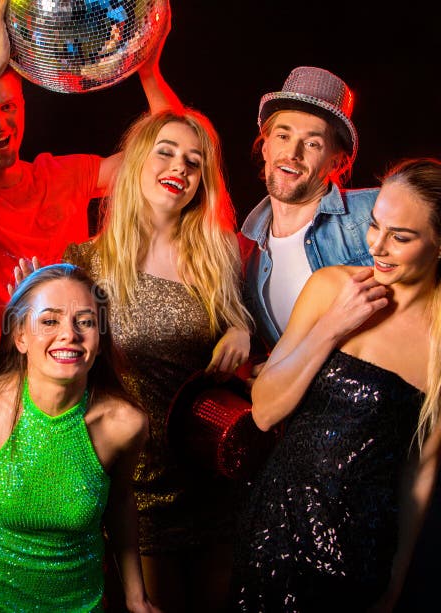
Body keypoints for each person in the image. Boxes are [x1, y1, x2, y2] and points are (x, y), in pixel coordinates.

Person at [0, 0, 182, 485]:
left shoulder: (62, 175)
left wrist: (149, 69)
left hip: (62, 408)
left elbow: (166, 153)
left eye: (8, 106)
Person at [64, 109, 252, 612]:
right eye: (165, 151)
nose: (180, 167)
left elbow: (243, 351)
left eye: (194, 162)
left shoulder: (220, 254)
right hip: (134, 489)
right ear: (137, 161)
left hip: (211, 474)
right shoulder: (84, 262)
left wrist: (241, 327)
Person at [232, 157, 441, 611]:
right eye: (375, 225)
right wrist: (333, 325)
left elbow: (420, 470)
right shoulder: (332, 287)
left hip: (359, 551)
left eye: (400, 236)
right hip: (276, 528)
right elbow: (265, 411)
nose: (378, 246)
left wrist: (395, 583)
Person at [0, 263, 158, 612]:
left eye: (85, 322)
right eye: (49, 321)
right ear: (20, 337)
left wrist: (136, 596)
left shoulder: (125, 424)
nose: (69, 335)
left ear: (100, 340)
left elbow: (120, 503)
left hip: (77, 600)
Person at [238, 66, 378, 356]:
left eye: (312, 143)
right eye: (283, 136)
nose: (292, 153)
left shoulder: (376, 212)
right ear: (265, 148)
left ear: (337, 163)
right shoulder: (246, 252)